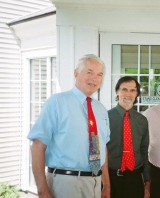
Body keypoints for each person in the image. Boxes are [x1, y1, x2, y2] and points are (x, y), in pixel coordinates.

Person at [27, 54, 111, 198]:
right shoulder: (56, 103)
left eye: (99, 74)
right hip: (65, 183)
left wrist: (107, 185)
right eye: (89, 72)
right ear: (76, 73)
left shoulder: (101, 109)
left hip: (96, 184)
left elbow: (102, 147)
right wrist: (42, 191)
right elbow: (37, 146)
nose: (95, 78)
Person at [107, 76, 150, 198]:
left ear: (137, 93)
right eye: (124, 89)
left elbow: (144, 150)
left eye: (133, 90)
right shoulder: (105, 118)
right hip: (111, 178)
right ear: (117, 91)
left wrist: (147, 181)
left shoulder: (142, 120)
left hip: (135, 178)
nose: (128, 94)